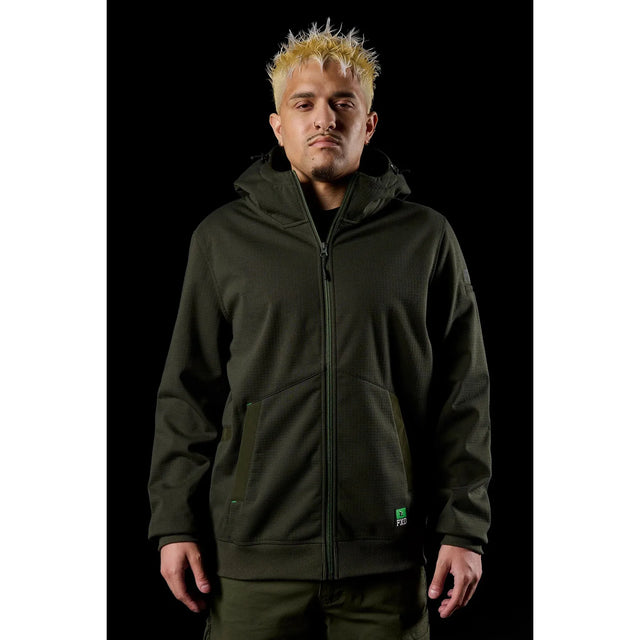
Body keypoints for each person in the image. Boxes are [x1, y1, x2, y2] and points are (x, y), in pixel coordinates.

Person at [148, 20, 491, 639]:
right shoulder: (222, 240)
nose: (324, 119)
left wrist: (463, 528)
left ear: (370, 123)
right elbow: (188, 393)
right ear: (277, 125)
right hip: (252, 562)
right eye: (303, 104)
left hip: (387, 562)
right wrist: (175, 523)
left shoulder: (426, 239)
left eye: (343, 104)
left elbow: (463, 393)